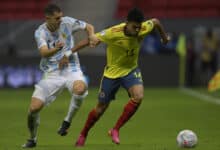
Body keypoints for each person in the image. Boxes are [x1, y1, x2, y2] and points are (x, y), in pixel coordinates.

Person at [60, 8, 170, 146]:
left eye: (139, 27)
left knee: (138, 96)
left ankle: (115, 129)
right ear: (126, 23)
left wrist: (164, 38)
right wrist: (68, 54)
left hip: (130, 70)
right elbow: (89, 40)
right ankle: (83, 134)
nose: (137, 31)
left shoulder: (143, 28)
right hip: (111, 74)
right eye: (134, 27)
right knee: (100, 110)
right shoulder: (113, 32)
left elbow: (156, 22)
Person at [22, 4, 98, 148]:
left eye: (61, 16)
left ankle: (67, 122)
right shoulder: (40, 32)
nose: (60, 20)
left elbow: (88, 26)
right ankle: (32, 139)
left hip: (72, 69)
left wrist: (92, 34)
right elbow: (44, 52)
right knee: (33, 109)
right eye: (57, 18)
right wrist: (55, 48)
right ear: (47, 18)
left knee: (80, 88)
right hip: (52, 73)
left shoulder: (67, 22)